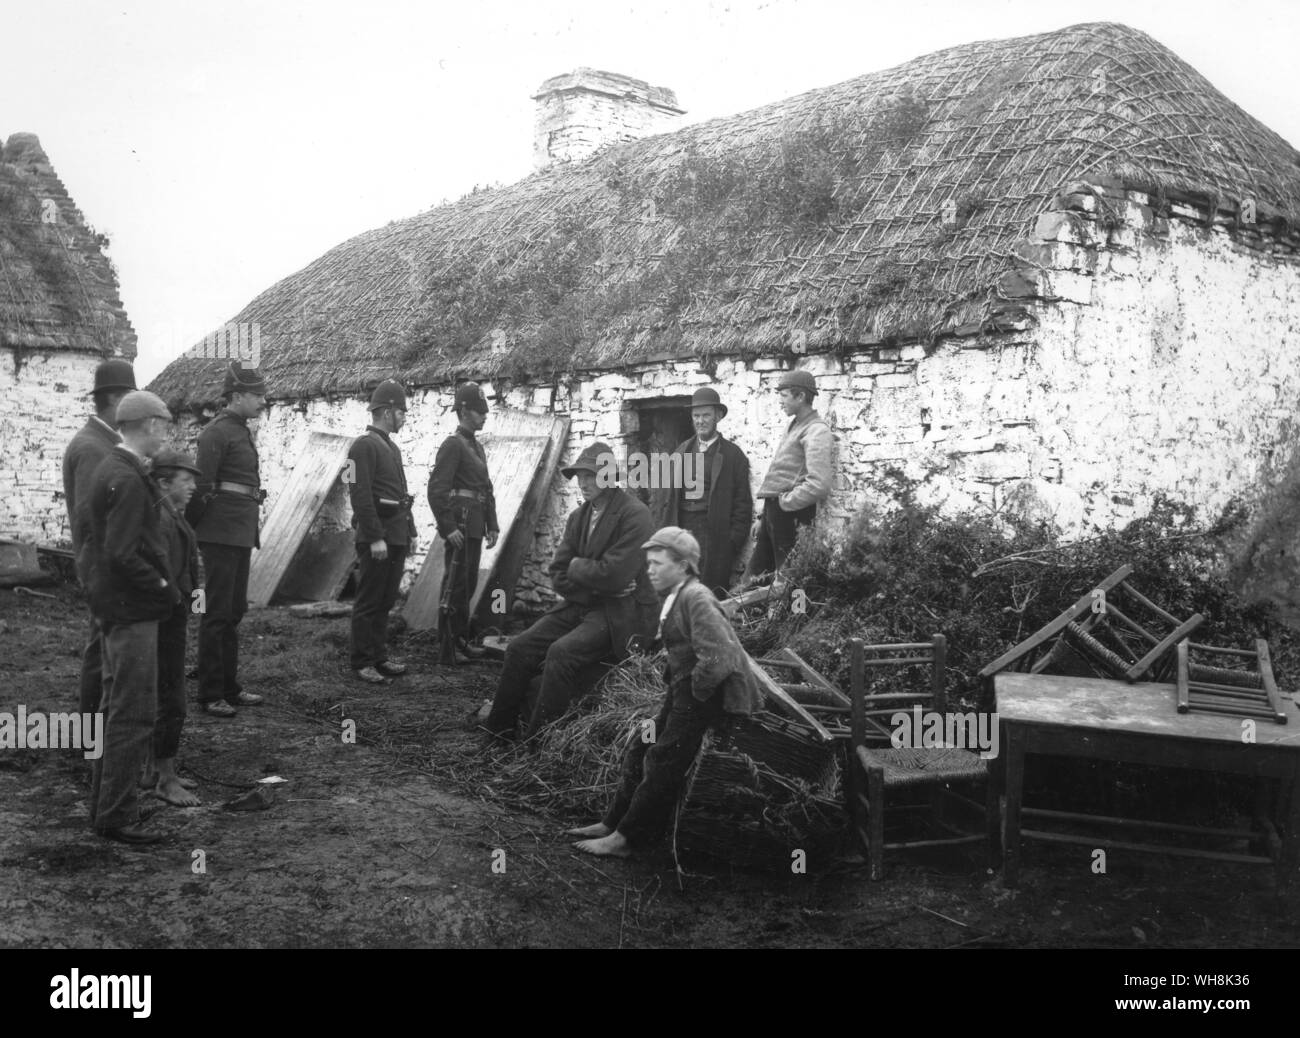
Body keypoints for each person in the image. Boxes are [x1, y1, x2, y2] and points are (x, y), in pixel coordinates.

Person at [570, 526, 762, 858]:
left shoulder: (697, 597)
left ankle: (627, 839)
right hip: (684, 690)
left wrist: (693, 697)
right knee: (640, 746)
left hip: (706, 697)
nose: (650, 570)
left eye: (657, 563)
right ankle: (612, 822)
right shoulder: (677, 594)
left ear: (684, 565)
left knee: (663, 759)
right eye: (649, 563)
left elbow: (720, 658)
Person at [483, 442, 656, 742]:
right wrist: (590, 575)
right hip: (586, 603)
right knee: (519, 647)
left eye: (591, 475)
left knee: (560, 653)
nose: (584, 482)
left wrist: (582, 570)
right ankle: (497, 733)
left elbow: (615, 575)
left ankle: (537, 746)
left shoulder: (635, 515)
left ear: (609, 477)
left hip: (620, 613)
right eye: (579, 475)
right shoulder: (579, 517)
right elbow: (558, 574)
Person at [82, 391, 180, 845]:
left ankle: (106, 806)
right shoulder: (124, 474)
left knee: (111, 709)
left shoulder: (115, 470)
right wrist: (161, 586)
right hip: (132, 610)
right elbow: (122, 554)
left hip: (115, 608)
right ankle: (117, 815)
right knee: (133, 714)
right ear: (145, 424)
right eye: (164, 423)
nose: (167, 431)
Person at [188, 361, 267, 717]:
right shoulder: (216, 433)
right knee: (216, 613)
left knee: (234, 611)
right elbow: (201, 486)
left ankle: (229, 687)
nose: (262, 402)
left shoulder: (240, 429)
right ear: (236, 397)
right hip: (220, 533)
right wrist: (192, 530)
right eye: (256, 395)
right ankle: (209, 693)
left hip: (238, 532)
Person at [62, 358, 136, 714]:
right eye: (129, 398)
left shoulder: (103, 442)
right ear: (115, 399)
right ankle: (90, 730)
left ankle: (90, 728)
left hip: (103, 563)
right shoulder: (92, 447)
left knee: (101, 644)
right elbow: (92, 518)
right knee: (100, 648)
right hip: (102, 565)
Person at [347, 380, 417, 684]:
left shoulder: (391, 447)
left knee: (386, 599)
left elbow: (401, 494)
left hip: (396, 535)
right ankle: (362, 661)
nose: (404, 417)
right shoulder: (362, 445)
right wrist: (375, 536)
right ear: (387, 411)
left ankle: (378, 656)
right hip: (377, 538)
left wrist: (411, 531)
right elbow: (358, 493)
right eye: (401, 411)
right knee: (369, 600)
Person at [653, 386, 752, 598]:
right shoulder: (682, 451)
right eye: (696, 416)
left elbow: (743, 505)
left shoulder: (734, 456)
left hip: (713, 531)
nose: (700, 421)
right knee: (679, 585)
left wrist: (731, 543)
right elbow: (666, 498)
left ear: (718, 416)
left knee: (709, 591)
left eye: (706, 415)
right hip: (683, 526)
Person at [145, 449, 202, 807]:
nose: (193, 486)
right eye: (187, 480)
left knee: (162, 692)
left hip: (171, 612)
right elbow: (160, 571)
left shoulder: (169, 513)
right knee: (171, 698)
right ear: (164, 483)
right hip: (165, 616)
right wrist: (177, 600)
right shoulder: (161, 518)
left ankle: (153, 769)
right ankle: (165, 780)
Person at [740, 368, 834, 587]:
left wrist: (784, 503)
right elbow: (781, 476)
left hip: (793, 516)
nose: (779, 402)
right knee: (755, 577)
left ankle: (793, 618)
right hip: (776, 512)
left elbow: (819, 484)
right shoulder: (794, 425)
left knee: (790, 579)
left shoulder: (816, 430)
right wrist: (764, 516)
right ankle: (748, 620)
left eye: (783, 396)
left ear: (800, 396)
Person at [427, 382, 498, 664]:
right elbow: (436, 490)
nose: (484, 416)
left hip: (475, 524)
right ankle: (447, 645)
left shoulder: (477, 448)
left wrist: (492, 524)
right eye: (480, 411)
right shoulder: (452, 445)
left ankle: (459, 639)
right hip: (460, 525)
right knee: (454, 584)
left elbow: (486, 488)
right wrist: (448, 527)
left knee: (466, 584)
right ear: (465, 411)